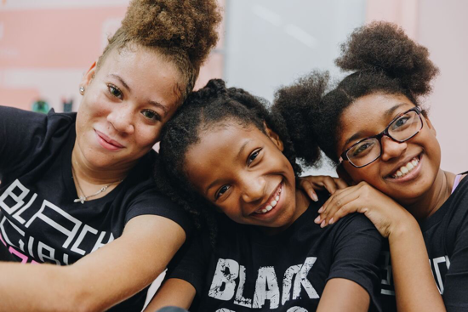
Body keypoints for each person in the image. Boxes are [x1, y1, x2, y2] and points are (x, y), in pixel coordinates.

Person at [0, 0, 221, 310]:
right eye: (115, 92)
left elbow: (75, 296)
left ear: (166, 128)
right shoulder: (30, 135)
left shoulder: (163, 204)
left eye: (150, 114)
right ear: (90, 77)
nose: (120, 122)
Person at [274, 22, 466, 311]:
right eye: (362, 147)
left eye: (402, 122)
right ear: (345, 174)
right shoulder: (350, 226)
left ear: (427, 121)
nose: (393, 148)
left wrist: (402, 228)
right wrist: (299, 193)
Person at [146, 79, 384, 311]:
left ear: (273, 137)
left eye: (253, 157)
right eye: (222, 190)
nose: (254, 190)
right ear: (208, 203)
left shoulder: (346, 225)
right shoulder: (211, 238)